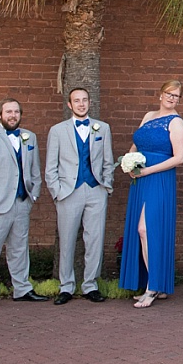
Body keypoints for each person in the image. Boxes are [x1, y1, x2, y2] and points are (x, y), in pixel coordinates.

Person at [0, 98, 46, 309]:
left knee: (19, 249)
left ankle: (22, 289)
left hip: (22, 203)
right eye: (8, 112)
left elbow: (34, 168)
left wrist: (34, 195)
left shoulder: (29, 137)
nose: (13, 115)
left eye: (16, 112)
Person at [119, 80, 183, 308]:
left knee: (146, 229)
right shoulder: (148, 116)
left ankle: (153, 287)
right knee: (142, 232)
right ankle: (155, 284)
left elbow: (179, 158)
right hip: (139, 181)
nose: (172, 98)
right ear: (160, 94)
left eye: (176, 96)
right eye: (169, 93)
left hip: (159, 179)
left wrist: (146, 170)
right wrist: (129, 163)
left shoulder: (176, 122)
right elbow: (136, 145)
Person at [45, 87, 115, 305]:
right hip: (68, 191)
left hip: (95, 189)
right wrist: (57, 192)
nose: (81, 104)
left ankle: (90, 285)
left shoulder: (102, 128)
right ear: (70, 105)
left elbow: (107, 160)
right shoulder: (57, 131)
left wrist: (106, 186)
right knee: (67, 239)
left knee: (95, 239)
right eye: (77, 101)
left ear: (89, 102)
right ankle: (66, 286)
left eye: (84, 100)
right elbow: (51, 167)